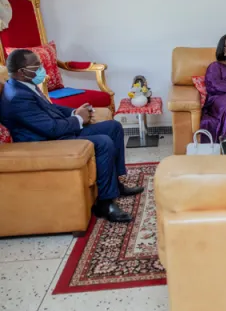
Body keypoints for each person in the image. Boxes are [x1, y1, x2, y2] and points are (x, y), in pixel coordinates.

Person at [0, 49, 144, 223]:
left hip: (55, 132)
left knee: (113, 127)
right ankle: (105, 203)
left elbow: (51, 108)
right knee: (103, 142)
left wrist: (75, 111)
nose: (41, 68)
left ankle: (116, 184)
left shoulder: (25, 85)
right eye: (37, 66)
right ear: (22, 71)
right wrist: (78, 119)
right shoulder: (17, 97)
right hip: (46, 142)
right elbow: (51, 129)